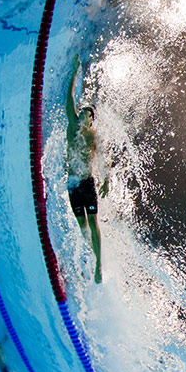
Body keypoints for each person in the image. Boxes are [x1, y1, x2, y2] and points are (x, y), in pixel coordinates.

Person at [66, 55, 106, 284]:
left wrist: (106, 181)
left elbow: (102, 158)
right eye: (82, 112)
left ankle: (99, 265)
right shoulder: (71, 128)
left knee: (92, 222)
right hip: (72, 183)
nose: (82, 114)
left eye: (87, 114)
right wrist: (73, 73)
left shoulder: (92, 136)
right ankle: (90, 258)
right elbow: (68, 99)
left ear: (92, 120)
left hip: (86, 182)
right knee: (82, 225)